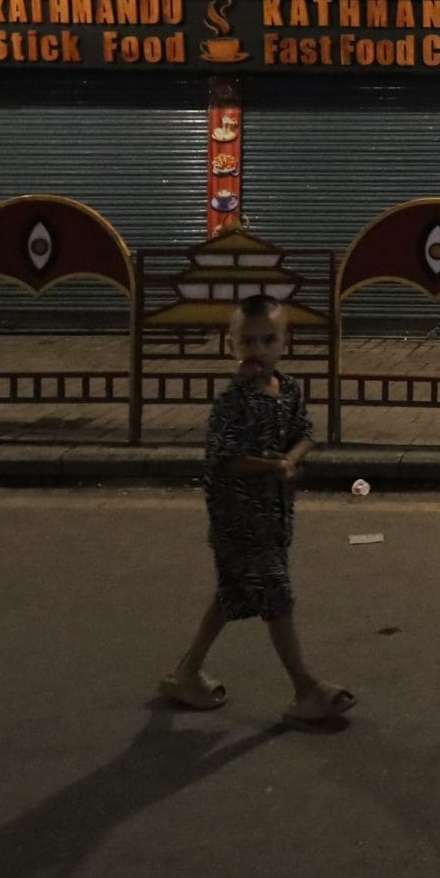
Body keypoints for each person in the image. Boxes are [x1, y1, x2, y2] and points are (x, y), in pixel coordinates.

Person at [158, 295, 356, 726]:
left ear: (284, 342)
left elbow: (305, 433)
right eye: (248, 341)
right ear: (231, 345)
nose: (258, 350)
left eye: (268, 340)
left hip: (274, 516)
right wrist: (273, 466)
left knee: (232, 594)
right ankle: (305, 688)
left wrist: (291, 459)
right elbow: (225, 459)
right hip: (238, 520)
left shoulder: (288, 390)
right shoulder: (233, 402)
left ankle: (186, 671)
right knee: (275, 594)